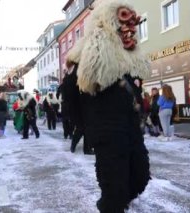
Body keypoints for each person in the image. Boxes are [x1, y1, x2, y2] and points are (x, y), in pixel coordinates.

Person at [65, 1, 150, 211]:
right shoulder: (85, 56)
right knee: (114, 188)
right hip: (106, 133)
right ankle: (112, 206)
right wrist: (86, 126)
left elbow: (135, 92)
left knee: (140, 176)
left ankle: (118, 202)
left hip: (130, 130)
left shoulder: (128, 60)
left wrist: (140, 112)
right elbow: (69, 96)